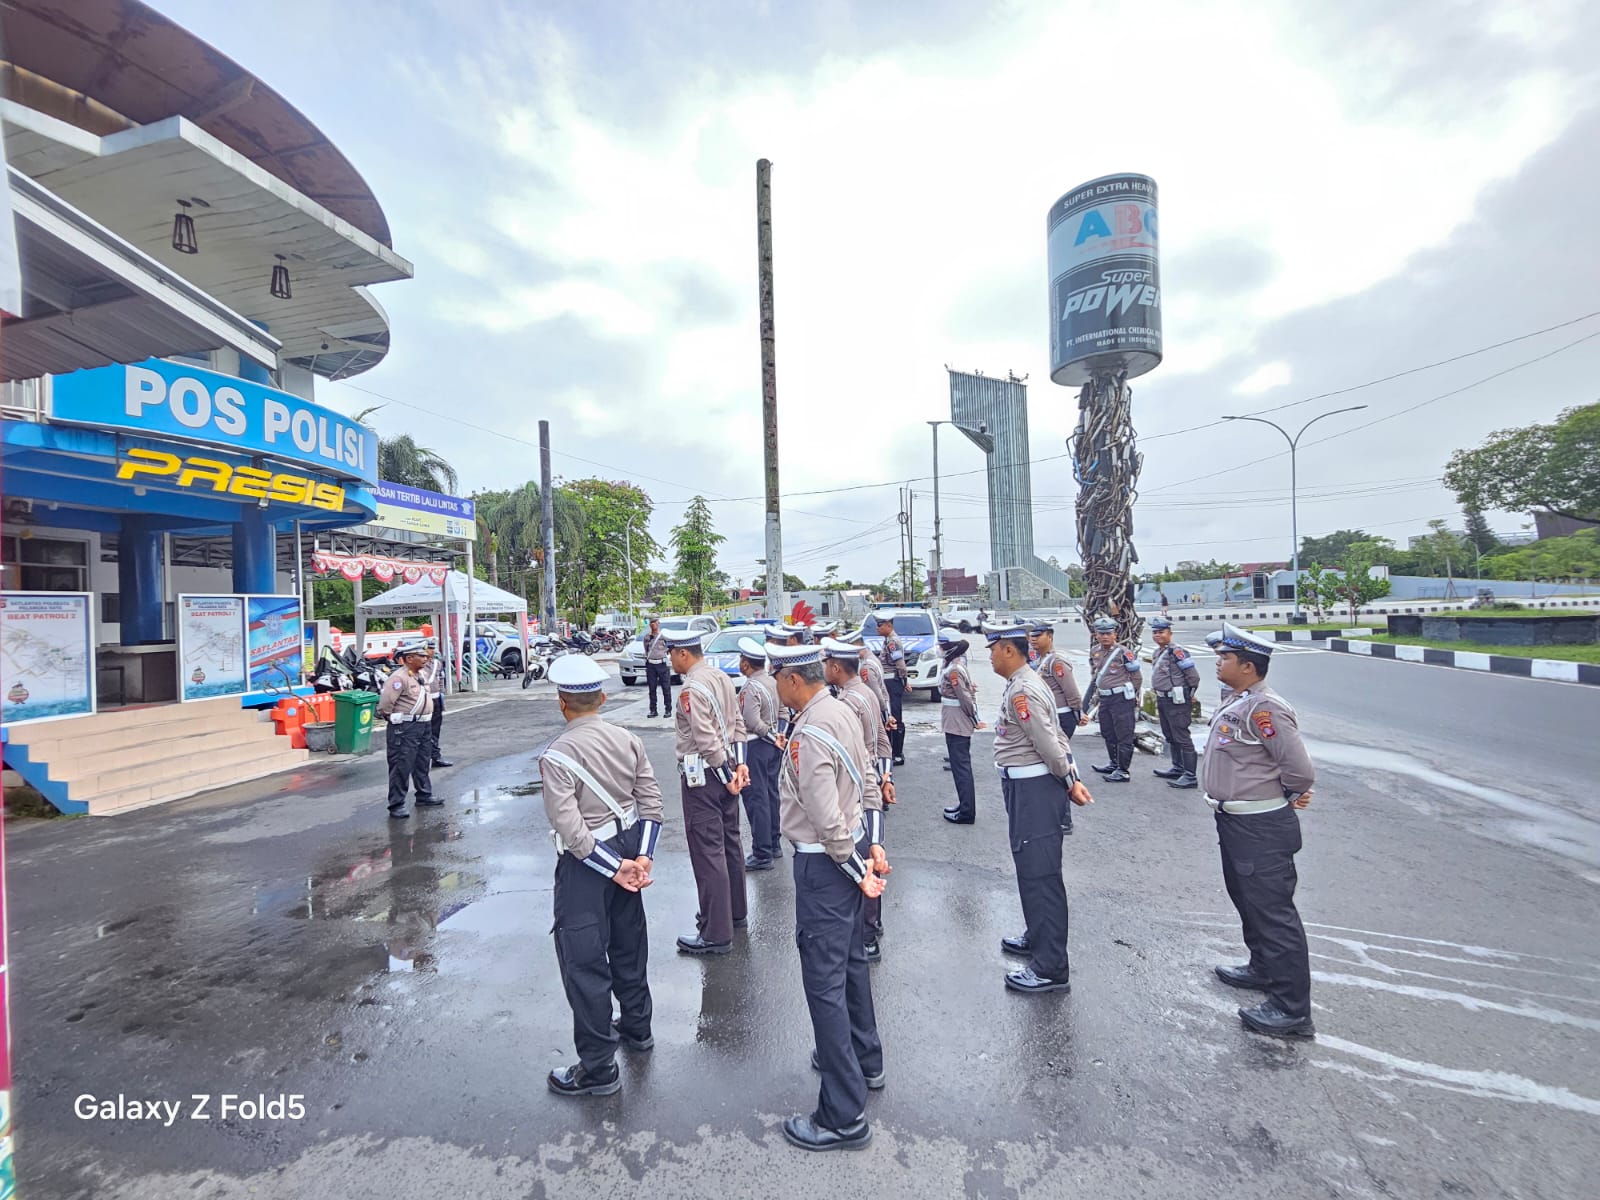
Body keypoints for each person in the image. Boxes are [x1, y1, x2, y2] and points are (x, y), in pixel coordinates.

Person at [768, 641, 887, 1152]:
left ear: (795, 681)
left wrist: (855, 866)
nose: (775, 685)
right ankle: (865, 1060)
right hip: (848, 849)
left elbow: (823, 812)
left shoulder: (811, 730)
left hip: (825, 860)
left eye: (778, 677)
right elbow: (867, 781)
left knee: (824, 981)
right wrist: (872, 843)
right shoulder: (839, 709)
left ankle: (842, 1113)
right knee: (851, 964)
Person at [539, 655, 665, 1097]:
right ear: (603, 698)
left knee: (585, 961)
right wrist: (640, 860)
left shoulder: (557, 756)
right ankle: (637, 1028)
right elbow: (651, 803)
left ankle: (598, 1069)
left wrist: (614, 869)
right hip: (631, 849)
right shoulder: (628, 739)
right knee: (629, 945)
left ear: (562, 704)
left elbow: (571, 830)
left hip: (588, 866)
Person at [1202, 623, 1318, 1039]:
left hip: (1260, 825)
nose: (1219, 662)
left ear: (1248, 667)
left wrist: (1291, 794)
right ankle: (1262, 968)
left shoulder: (1264, 709)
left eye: (1226, 658)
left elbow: (1299, 770)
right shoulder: (1240, 700)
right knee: (1247, 900)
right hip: (1236, 820)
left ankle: (1292, 1010)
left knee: (1274, 914)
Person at [987, 623, 1092, 994]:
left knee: (1040, 874)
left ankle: (1050, 967)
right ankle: (1038, 936)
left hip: (1034, 789)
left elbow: (1049, 742)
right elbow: (1057, 736)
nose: (989, 656)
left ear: (1008, 650)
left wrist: (1067, 779)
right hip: (1027, 787)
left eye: (992, 649)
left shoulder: (1024, 690)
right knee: (1031, 868)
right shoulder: (1025, 683)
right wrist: (1070, 776)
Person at [667, 626, 750, 955]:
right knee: (730, 844)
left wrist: (723, 772)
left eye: (672, 653)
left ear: (683, 653)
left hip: (705, 776)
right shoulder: (721, 677)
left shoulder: (691, 689)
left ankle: (716, 933)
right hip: (729, 769)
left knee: (708, 852)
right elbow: (738, 725)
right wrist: (739, 766)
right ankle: (735, 912)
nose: (669, 659)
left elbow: (705, 739)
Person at [822, 638, 893, 962]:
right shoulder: (864, 693)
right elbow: (881, 738)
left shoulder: (848, 702)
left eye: (827, 663)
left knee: (859, 857)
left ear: (836, 667)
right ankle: (871, 926)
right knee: (870, 853)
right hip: (869, 778)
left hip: (852, 784)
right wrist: (885, 775)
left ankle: (865, 935)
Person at [1029, 622, 1084, 833]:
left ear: (1050, 636)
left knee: (1060, 764)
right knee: (1052, 765)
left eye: (1038, 635)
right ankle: (1058, 814)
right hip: (1051, 718)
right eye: (1032, 636)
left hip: (1062, 718)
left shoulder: (1057, 661)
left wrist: (1078, 713)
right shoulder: (1042, 661)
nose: (1034, 639)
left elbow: (1071, 691)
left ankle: (1064, 818)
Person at [737, 637, 784, 871]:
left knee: (758, 800)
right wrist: (779, 736)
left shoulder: (750, 688)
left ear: (746, 664)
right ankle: (774, 843)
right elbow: (784, 711)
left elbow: (751, 721)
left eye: (740, 659)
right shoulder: (774, 682)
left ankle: (762, 852)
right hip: (773, 746)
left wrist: (771, 735)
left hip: (756, 746)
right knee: (771, 794)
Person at [376, 641, 438, 818]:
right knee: (401, 764)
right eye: (421, 656)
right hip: (406, 727)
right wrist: (394, 719)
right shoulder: (398, 678)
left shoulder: (420, 674)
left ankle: (424, 795)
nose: (426, 658)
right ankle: (397, 804)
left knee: (422, 761)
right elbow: (385, 705)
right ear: (409, 658)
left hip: (424, 724)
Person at [1080, 616, 1141, 783]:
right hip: (1105, 698)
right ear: (1096, 635)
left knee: (1124, 734)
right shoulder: (1095, 651)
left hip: (1121, 698)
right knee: (1108, 732)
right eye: (1101, 633)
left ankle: (1123, 770)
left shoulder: (1124, 653)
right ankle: (1114, 763)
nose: (1105, 636)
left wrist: (1130, 697)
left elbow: (1137, 678)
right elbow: (1095, 677)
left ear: (1115, 634)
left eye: (1108, 633)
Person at [1149, 617, 1203, 789]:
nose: (1158, 635)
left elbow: (1193, 676)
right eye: (1155, 632)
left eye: (1161, 632)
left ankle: (1190, 775)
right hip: (1163, 698)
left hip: (1177, 701)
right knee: (1170, 735)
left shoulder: (1177, 652)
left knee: (1182, 736)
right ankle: (1178, 767)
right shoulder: (1158, 652)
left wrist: (1189, 695)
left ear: (1170, 634)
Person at [938, 628, 983, 825]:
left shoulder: (954, 669)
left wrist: (974, 718)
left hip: (957, 721)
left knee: (961, 767)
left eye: (942, 645)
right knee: (959, 766)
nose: (939, 648)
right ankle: (964, 805)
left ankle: (966, 811)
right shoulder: (954, 665)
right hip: (954, 720)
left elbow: (965, 698)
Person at [873, 613, 908, 765]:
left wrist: (904, 680)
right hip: (888, 682)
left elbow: (900, 664)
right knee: (889, 715)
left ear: (888, 625)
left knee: (895, 716)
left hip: (892, 683)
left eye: (880, 625)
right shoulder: (888, 640)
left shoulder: (892, 642)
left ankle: (898, 753)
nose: (877, 628)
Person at [420, 642, 452, 769]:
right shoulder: (420, 664)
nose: (431, 651)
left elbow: (440, 679)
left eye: (433, 648)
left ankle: (436, 756)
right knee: (424, 731)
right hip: (424, 700)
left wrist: (441, 694)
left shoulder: (437, 664)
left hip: (436, 698)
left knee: (435, 730)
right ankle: (423, 759)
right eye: (429, 648)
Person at [643, 617, 671, 718]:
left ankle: (668, 709)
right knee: (652, 689)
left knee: (666, 688)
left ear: (658, 623)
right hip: (651, 665)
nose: (653, 624)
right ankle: (653, 710)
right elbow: (646, 649)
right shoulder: (647, 637)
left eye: (654, 622)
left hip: (662, 664)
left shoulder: (664, 636)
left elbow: (669, 648)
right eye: (651, 623)